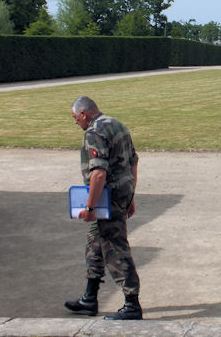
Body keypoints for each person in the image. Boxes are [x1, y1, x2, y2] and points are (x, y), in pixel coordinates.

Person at [65, 96, 143, 320]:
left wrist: (90, 207)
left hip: (107, 199)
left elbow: (98, 173)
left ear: (84, 114)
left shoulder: (94, 132)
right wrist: (130, 195)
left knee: (115, 247)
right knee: (94, 244)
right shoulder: (117, 124)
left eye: (74, 117)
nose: (75, 122)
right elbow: (133, 161)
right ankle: (89, 298)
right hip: (120, 193)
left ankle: (132, 304)